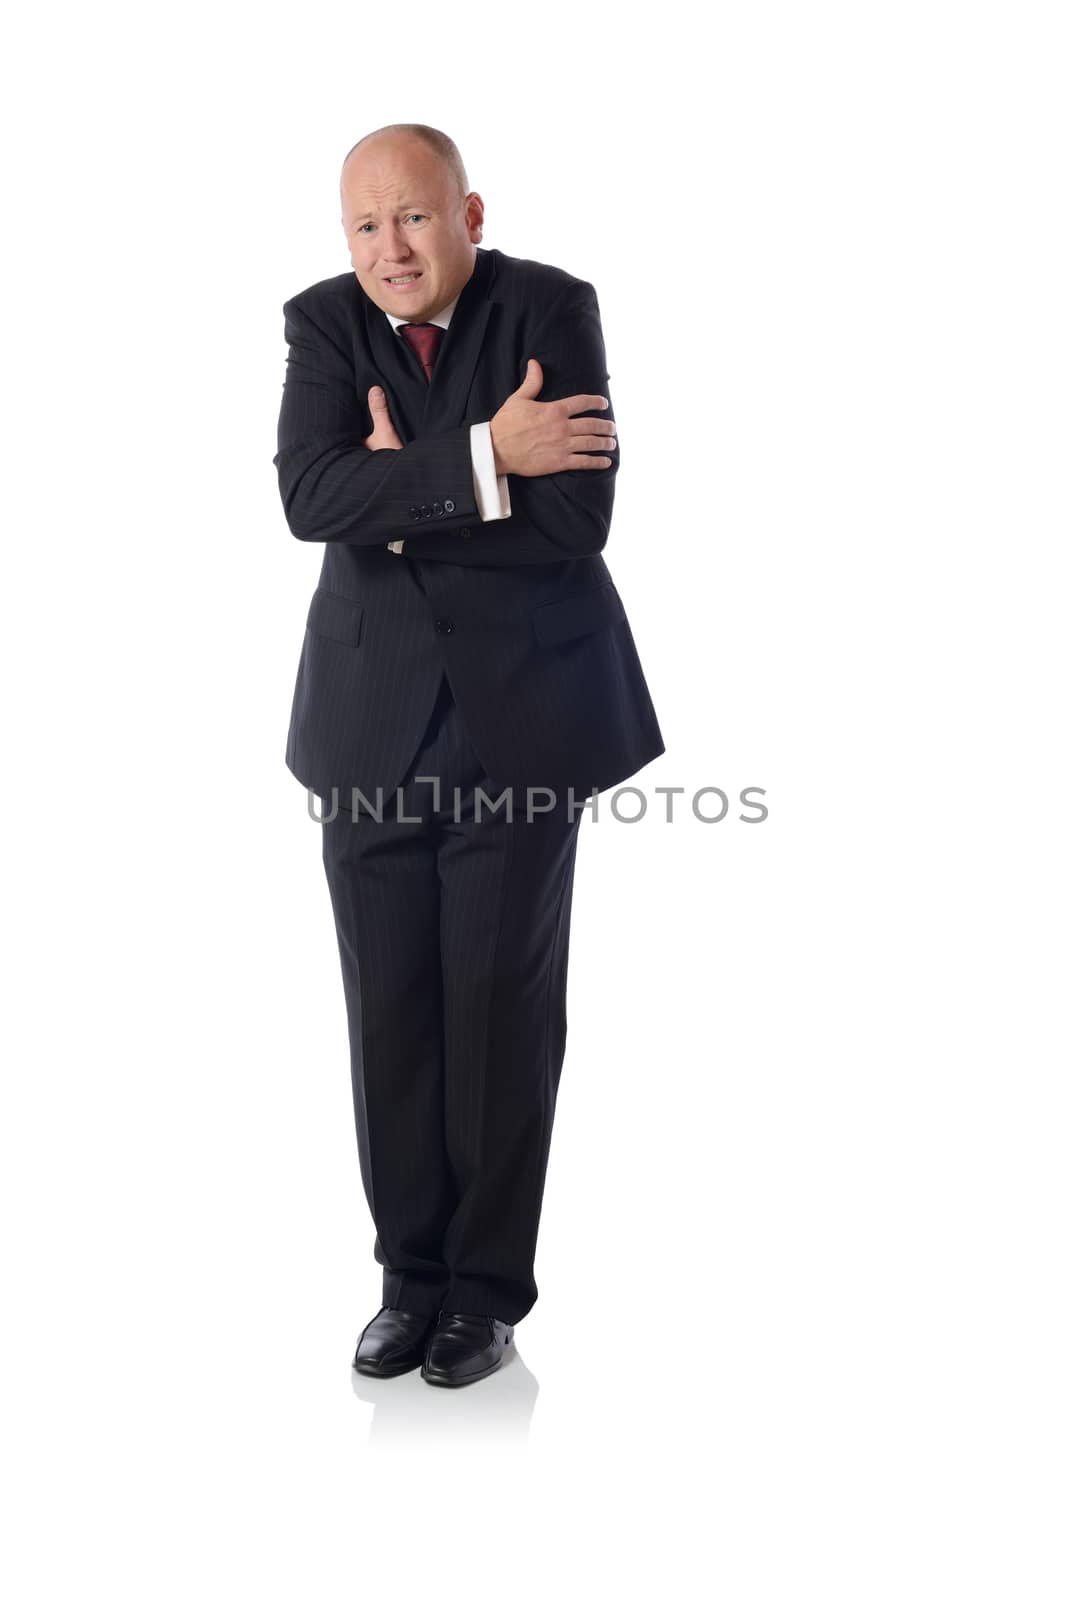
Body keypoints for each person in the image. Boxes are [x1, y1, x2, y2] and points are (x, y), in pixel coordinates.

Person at [273, 123, 665, 1387]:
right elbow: (308, 501)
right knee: (390, 1015)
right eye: (364, 226)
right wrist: (490, 455)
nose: (389, 248)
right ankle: (408, 1278)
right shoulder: (325, 324)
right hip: (370, 723)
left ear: (469, 212)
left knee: (499, 1015)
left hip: (522, 724)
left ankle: (484, 1296)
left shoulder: (553, 306)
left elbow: (579, 515)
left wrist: (404, 494)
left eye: (414, 219)